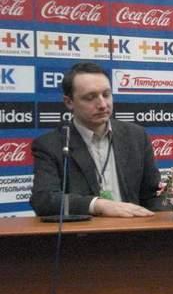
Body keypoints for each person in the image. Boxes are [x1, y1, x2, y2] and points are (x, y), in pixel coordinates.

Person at [30, 62, 166, 217]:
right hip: (83, 231)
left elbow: (154, 195)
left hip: (134, 228)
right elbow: (44, 200)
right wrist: (97, 205)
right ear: (69, 102)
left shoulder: (136, 136)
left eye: (106, 95)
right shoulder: (51, 144)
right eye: (90, 97)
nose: (102, 104)